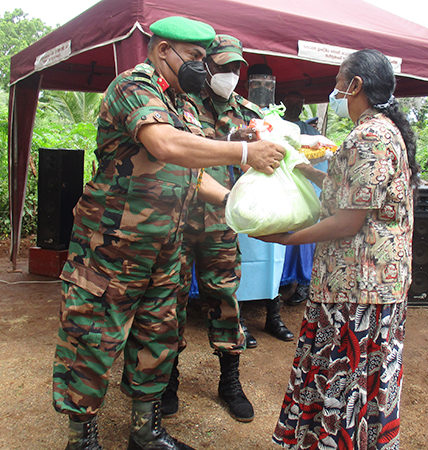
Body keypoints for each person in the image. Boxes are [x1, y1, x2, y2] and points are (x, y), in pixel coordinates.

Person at [52, 17, 286, 450]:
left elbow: (193, 174)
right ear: (164, 52)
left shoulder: (184, 103)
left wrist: (240, 207)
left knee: (156, 338)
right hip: (111, 249)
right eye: (195, 57)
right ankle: (81, 440)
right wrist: (245, 152)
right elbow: (165, 145)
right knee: (93, 339)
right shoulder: (132, 87)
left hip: (167, 248)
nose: (203, 67)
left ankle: (146, 431)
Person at [262, 49, 419, 450]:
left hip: (359, 288)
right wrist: (301, 166)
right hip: (365, 284)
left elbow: (349, 221)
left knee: (348, 377)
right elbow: (347, 187)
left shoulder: (370, 136)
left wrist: (286, 238)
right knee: (356, 378)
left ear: (356, 86)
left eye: (338, 82)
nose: (334, 91)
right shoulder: (381, 132)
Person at [164, 34, 258, 423]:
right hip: (180, 220)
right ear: (206, 67)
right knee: (169, 302)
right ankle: (167, 380)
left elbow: (256, 167)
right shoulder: (180, 104)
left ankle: (230, 381)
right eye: (223, 67)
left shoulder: (248, 112)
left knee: (225, 301)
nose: (231, 74)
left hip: (222, 223)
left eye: (236, 68)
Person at [234, 63, 295, 346]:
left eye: (268, 83)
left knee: (276, 255)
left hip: (275, 194)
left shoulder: (279, 117)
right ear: (248, 84)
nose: (263, 88)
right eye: (257, 83)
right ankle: (240, 319)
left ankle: (273, 315)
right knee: (242, 255)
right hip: (246, 192)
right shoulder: (236, 112)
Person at [279, 91, 325, 305]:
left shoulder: (311, 134)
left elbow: (320, 166)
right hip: (278, 194)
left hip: (302, 196)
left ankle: (304, 283)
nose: (294, 107)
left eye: (299, 103)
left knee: (304, 238)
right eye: (290, 102)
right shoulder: (274, 127)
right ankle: (282, 280)